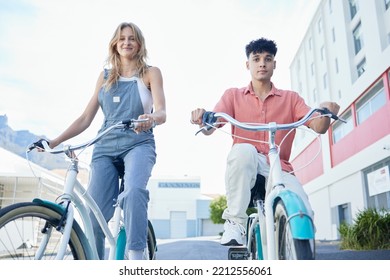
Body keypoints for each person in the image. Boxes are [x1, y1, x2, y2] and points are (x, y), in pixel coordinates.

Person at [190, 37, 339, 246]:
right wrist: (203, 117)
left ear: (274, 64)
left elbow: (318, 126)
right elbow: (212, 124)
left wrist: (326, 111)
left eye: (268, 59)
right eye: (257, 58)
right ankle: (235, 223)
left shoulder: (291, 98)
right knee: (243, 151)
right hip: (247, 165)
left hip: (279, 168)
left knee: (302, 210)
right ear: (247, 64)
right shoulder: (233, 95)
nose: (262, 63)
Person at [47, 22, 166, 259]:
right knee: (93, 212)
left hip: (138, 144)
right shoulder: (105, 76)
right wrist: (54, 142)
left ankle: (135, 256)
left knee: (133, 191)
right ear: (115, 43)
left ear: (139, 43)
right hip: (105, 146)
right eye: (122, 38)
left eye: (132, 38)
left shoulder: (151, 73)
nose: (126, 42)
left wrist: (151, 118)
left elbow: (162, 112)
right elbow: (85, 118)